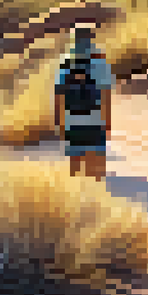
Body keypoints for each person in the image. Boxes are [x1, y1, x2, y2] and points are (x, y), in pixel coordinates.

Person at [54, 22, 114, 180]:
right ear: (92, 39)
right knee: (96, 170)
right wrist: (107, 122)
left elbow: (59, 95)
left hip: (72, 119)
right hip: (94, 120)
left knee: (74, 168)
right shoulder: (99, 61)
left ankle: (78, 197)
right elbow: (105, 94)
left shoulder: (65, 61)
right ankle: (95, 197)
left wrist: (59, 121)